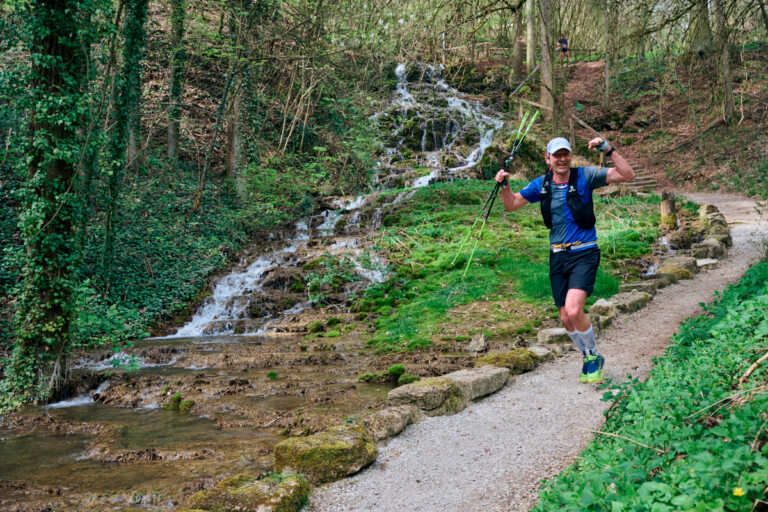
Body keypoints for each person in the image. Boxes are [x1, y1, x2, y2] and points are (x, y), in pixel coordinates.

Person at [494, 137, 635, 383]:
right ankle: (588, 357)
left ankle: (592, 357)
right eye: (556, 155)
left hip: (584, 251)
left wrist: (608, 149)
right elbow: (512, 205)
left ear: (570, 156)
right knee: (565, 317)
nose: (562, 159)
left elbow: (627, 174)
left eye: (565, 154)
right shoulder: (541, 184)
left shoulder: (585, 176)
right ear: (548, 159)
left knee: (573, 310)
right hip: (557, 255)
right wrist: (505, 185)